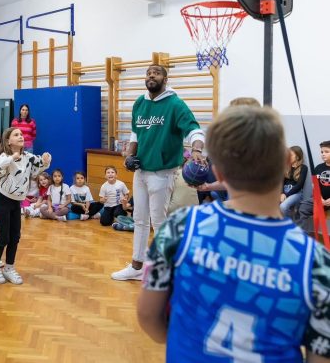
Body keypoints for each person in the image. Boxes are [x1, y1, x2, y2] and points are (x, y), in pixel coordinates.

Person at [137, 105, 330, 362]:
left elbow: (149, 316)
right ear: (287, 160)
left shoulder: (180, 228)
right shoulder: (316, 262)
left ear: (217, 172)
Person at [112, 65, 205, 281]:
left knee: (159, 221)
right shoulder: (140, 102)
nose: (151, 75)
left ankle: (165, 270)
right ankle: (137, 265)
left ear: (165, 78)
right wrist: (128, 155)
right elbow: (135, 134)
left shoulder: (175, 104)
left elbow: (194, 129)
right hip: (141, 172)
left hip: (162, 173)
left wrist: (197, 149)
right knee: (139, 219)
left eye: (156, 72)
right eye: (148, 72)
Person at [0, 127, 51, 284]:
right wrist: (12, 158)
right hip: (2, 200)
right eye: (16, 135)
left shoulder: (28, 157)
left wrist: (45, 160)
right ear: (9, 142)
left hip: (16, 202)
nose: (21, 136)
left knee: (15, 236)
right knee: (4, 235)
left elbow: (39, 168)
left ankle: (9, 267)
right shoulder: (4, 157)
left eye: (21, 134)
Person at [296, 141, 330, 235]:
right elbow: (314, 185)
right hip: (319, 199)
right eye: (322, 152)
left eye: (326, 152)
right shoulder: (318, 168)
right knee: (302, 208)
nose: (323, 154)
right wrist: (319, 198)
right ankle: (304, 237)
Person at [280, 145, 308, 217]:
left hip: (296, 193)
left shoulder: (303, 168)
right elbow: (281, 182)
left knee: (283, 207)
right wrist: (282, 193)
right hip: (284, 192)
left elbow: (300, 185)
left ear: (297, 156)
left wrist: (286, 195)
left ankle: (288, 225)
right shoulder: (285, 166)